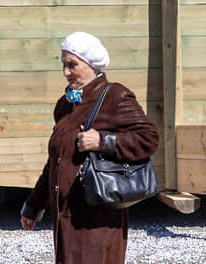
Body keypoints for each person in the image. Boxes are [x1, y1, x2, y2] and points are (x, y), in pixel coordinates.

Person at [20, 32, 160, 264]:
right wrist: (34, 205)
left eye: (72, 65)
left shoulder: (115, 95)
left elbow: (149, 137)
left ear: (91, 64)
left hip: (97, 220)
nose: (66, 72)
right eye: (64, 65)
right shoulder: (65, 105)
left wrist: (103, 141)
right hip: (66, 218)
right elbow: (55, 161)